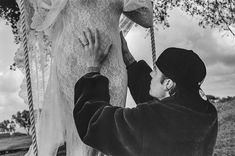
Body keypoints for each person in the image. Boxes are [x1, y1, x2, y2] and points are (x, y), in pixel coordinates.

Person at [73, 29, 218, 156]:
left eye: (155, 72)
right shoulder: (206, 113)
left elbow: (94, 122)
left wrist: (92, 68)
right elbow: (163, 107)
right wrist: (130, 61)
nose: (150, 75)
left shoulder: (152, 121)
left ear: (168, 83)